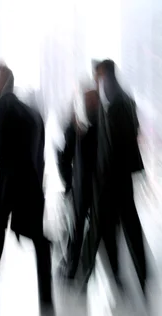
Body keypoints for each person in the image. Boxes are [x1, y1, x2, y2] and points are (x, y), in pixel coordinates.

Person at [0, 64, 52, 306]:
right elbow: (41, 156)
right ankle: (46, 296)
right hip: (32, 182)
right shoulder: (34, 114)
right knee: (35, 236)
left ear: (3, 83)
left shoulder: (6, 105)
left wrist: (0, 80)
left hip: (10, 179)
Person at [80, 59, 148, 292]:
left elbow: (113, 143)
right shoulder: (125, 99)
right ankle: (138, 273)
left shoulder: (115, 101)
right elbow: (134, 131)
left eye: (98, 74)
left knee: (104, 224)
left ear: (105, 73)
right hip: (121, 173)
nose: (97, 79)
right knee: (122, 224)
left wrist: (103, 171)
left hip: (111, 175)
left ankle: (84, 273)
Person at [56, 84, 101, 280]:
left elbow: (65, 157)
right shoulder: (80, 126)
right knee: (78, 227)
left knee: (79, 227)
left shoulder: (83, 126)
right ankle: (75, 265)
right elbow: (65, 158)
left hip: (88, 185)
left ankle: (76, 265)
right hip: (84, 185)